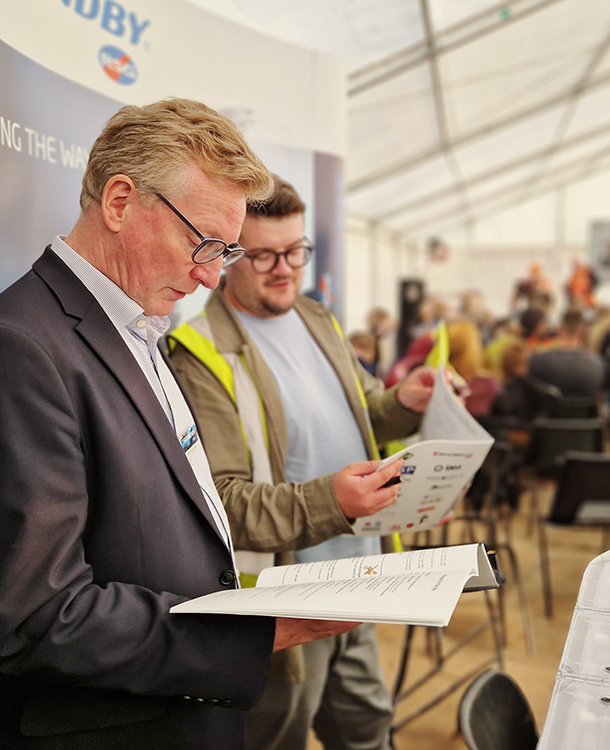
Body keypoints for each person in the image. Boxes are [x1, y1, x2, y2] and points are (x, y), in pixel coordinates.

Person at [0, 99, 357, 750]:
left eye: (226, 250)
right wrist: (250, 629)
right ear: (121, 202)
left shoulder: (137, 325)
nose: (212, 274)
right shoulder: (14, 352)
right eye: (203, 243)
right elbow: (40, 618)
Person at [169, 176, 437, 750]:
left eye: (295, 252)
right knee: (277, 734)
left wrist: (404, 402)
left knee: (368, 729)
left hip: (363, 577)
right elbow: (222, 500)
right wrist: (331, 502)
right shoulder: (200, 353)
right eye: (263, 255)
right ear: (227, 254)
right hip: (284, 603)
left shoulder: (319, 320)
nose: (285, 269)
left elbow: (364, 412)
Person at [528, 309, 605, 399]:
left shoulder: (536, 361)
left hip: (550, 412)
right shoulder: (597, 365)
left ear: (560, 328)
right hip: (583, 413)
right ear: (583, 332)